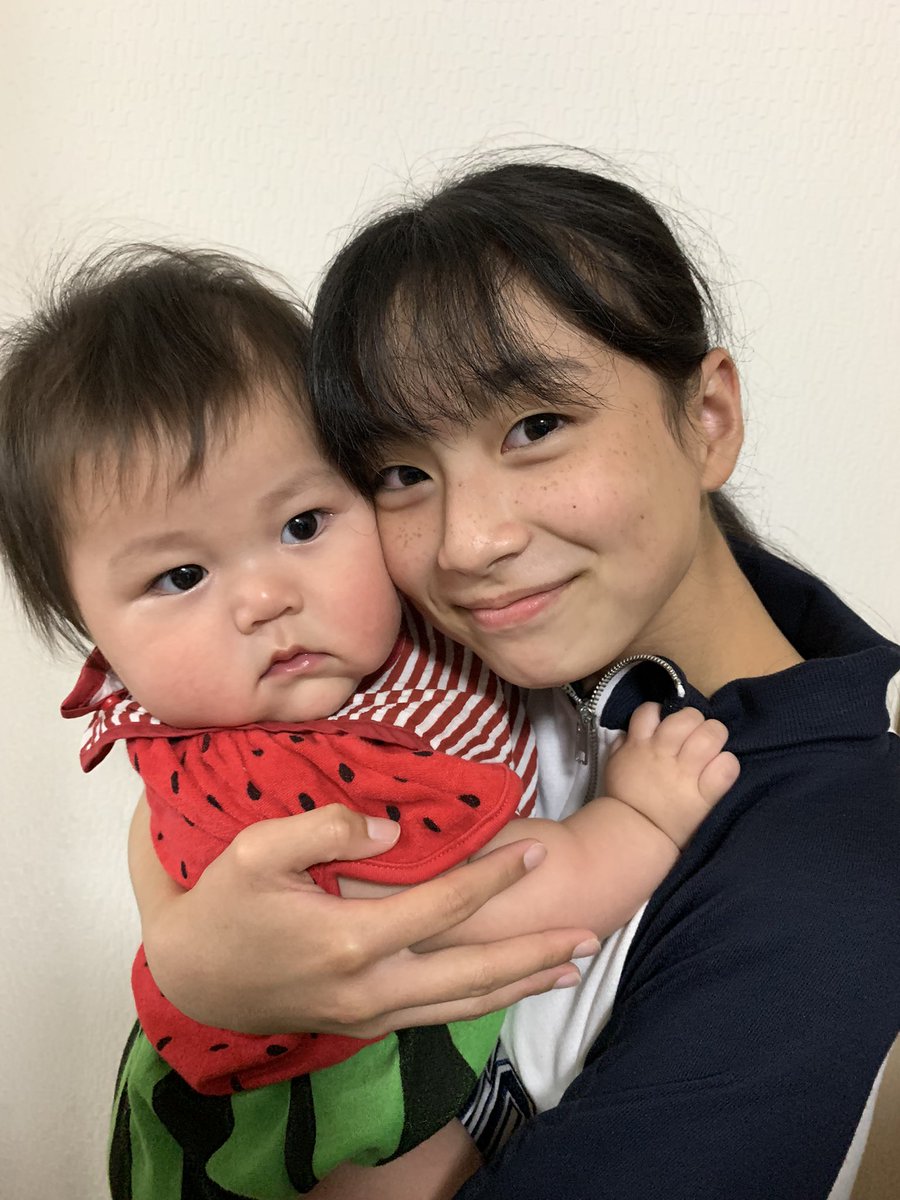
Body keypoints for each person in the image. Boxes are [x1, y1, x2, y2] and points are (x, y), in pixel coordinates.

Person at [123, 158, 900, 1198]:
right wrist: (183, 950)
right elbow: (192, 759)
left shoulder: (834, 878)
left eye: (536, 428)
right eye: (402, 473)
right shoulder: (447, 660)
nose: (467, 543)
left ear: (708, 419)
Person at [0, 244, 739, 1200]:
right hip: (292, 1139)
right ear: (93, 636)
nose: (266, 598)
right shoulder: (275, 779)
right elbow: (489, 903)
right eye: (180, 576)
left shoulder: (418, 646)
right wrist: (638, 821)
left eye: (303, 525)